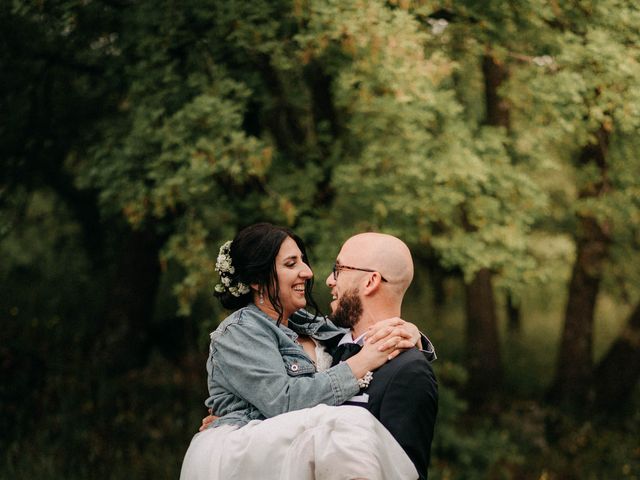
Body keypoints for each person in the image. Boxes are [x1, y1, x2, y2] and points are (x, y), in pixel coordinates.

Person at [180, 223, 423, 480]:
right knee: (350, 423)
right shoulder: (237, 333)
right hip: (247, 456)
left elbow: (360, 336)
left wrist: (408, 330)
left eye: (303, 261)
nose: (307, 272)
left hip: (297, 457)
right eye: (291, 264)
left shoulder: (308, 324)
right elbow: (283, 402)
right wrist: (360, 364)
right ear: (256, 280)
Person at [326, 232, 438, 480]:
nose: (329, 280)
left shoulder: (409, 371)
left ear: (370, 281)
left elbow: (402, 473)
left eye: (338, 269)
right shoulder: (323, 347)